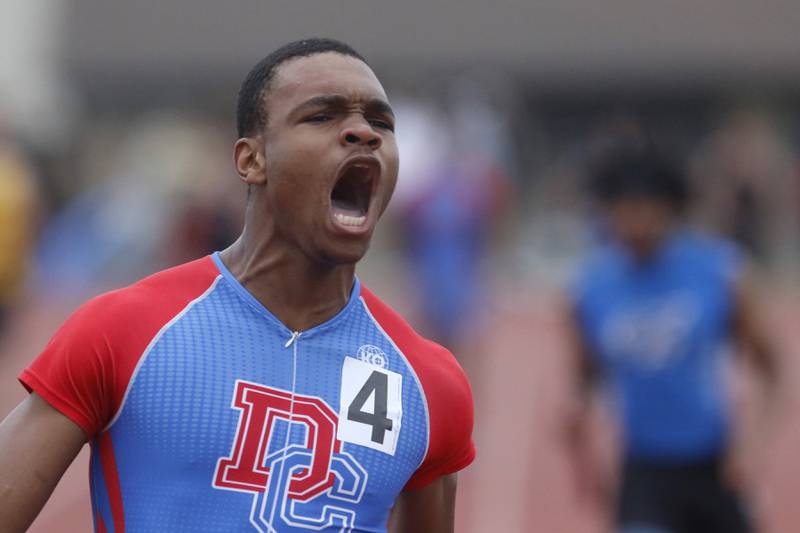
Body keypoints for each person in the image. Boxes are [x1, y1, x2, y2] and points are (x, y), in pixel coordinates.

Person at [0, 38, 475, 533]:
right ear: (252, 160)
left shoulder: (429, 385)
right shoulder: (124, 332)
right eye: (322, 116)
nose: (363, 132)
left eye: (381, 122)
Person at [564, 145, 777, 533]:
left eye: (645, 208)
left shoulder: (719, 272)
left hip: (715, 467)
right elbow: (584, 377)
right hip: (644, 469)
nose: (634, 221)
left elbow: (769, 369)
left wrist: (752, 447)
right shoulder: (590, 288)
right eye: (622, 210)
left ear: (671, 209)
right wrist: (579, 424)